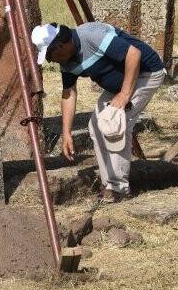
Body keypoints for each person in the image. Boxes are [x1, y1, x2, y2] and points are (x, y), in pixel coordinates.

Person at [32, 21, 166, 202]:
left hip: (145, 74)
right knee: (95, 126)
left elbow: (133, 54)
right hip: (118, 85)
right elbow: (69, 93)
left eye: (49, 55)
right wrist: (66, 133)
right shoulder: (67, 61)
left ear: (61, 45)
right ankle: (109, 184)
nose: (50, 61)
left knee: (113, 124)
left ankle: (119, 189)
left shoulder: (91, 36)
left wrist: (125, 94)